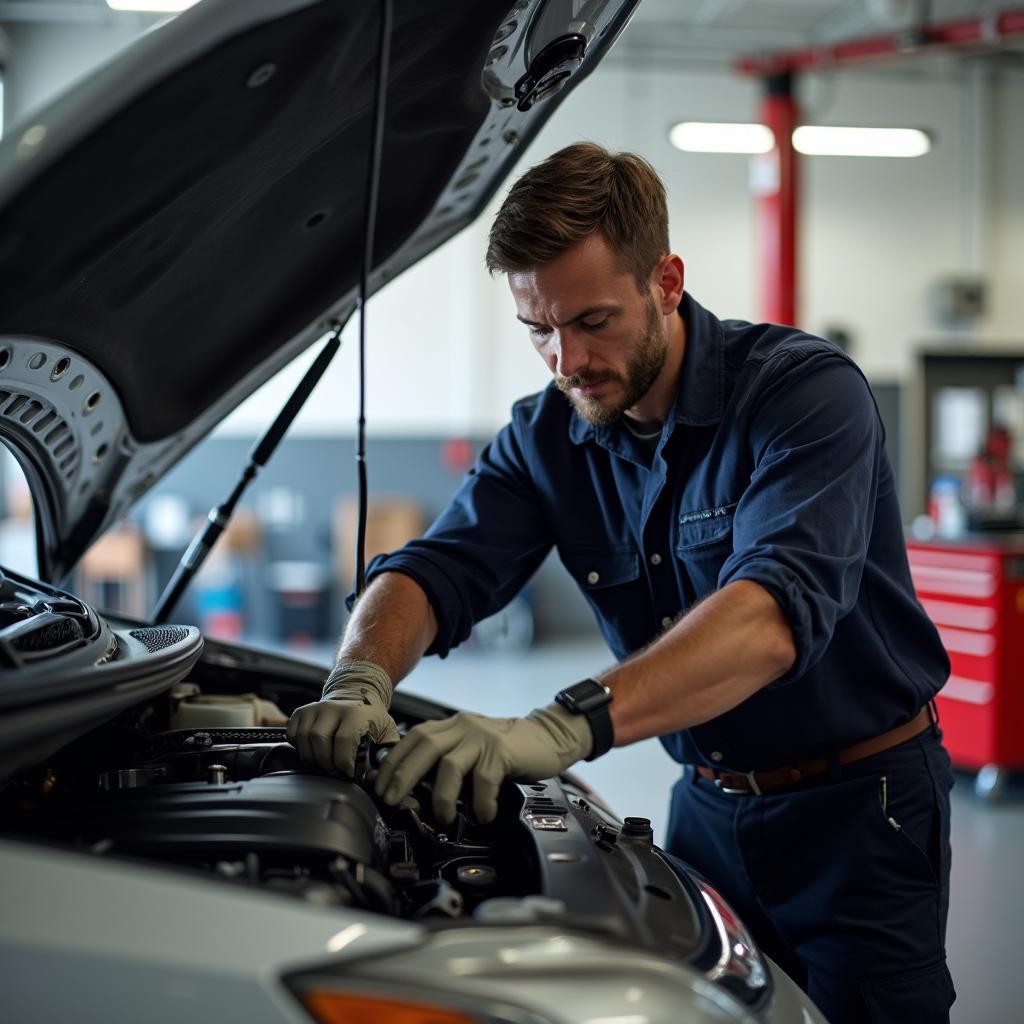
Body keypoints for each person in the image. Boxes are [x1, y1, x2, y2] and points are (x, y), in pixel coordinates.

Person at [288, 143, 955, 1024]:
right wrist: (358, 677)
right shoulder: (546, 436)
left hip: (863, 813)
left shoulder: (803, 396)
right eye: (538, 329)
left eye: (593, 320)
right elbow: (436, 568)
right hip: (708, 810)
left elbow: (769, 618)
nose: (566, 360)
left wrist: (562, 727)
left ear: (666, 280)